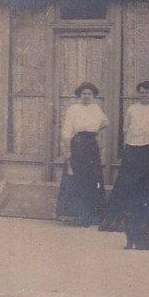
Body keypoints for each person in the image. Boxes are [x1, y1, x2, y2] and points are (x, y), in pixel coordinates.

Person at [100, 81, 149, 234]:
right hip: (132, 149)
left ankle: (148, 221)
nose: (144, 94)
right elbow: (125, 128)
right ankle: (116, 219)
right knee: (126, 183)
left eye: (147, 92)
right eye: (141, 91)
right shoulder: (132, 109)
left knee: (148, 185)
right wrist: (131, 142)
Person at [56, 82, 108, 227]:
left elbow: (105, 122)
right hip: (78, 144)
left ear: (93, 96)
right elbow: (66, 130)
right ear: (80, 95)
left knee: (92, 178)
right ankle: (78, 214)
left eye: (89, 94)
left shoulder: (96, 108)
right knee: (77, 178)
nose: (86, 96)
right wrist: (68, 151)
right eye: (84, 93)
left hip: (91, 145)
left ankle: (92, 215)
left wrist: (96, 130)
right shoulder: (73, 109)